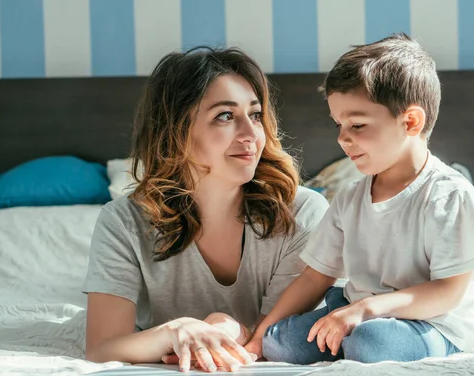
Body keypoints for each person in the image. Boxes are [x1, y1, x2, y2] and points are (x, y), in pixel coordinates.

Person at [244, 33, 474, 364]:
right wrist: (260, 336)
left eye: (357, 124)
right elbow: (315, 277)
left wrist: (365, 310)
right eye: (338, 124)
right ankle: (346, 331)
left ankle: (356, 334)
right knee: (282, 342)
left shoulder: (448, 196)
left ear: (410, 121)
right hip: (359, 312)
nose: (342, 138)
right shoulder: (350, 199)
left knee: (370, 342)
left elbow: (447, 292)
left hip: (436, 323)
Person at [82, 46, 329, 373]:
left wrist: (224, 326)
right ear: (176, 132)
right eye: (225, 116)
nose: (251, 135)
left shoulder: (302, 213)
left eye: (255, 115)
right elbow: (102, 347)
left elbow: (267, 337)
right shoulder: (123, 222)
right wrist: (176, 331)